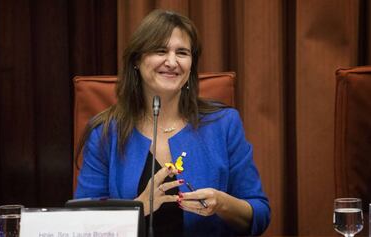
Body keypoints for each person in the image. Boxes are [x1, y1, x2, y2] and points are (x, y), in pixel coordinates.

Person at [74, 9, 270, 236]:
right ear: (137, 60)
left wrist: (222, 203)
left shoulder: (224, 124)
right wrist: (138, 208)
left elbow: (260, 213)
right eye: (160, 50)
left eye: (182, 52)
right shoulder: (106, 133)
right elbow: (82, 224)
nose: (172, 61)